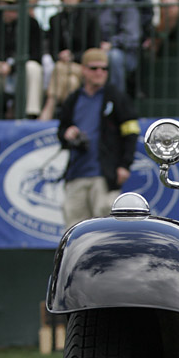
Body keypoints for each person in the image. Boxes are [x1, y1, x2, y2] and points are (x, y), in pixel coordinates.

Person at [58, 47, 139, 228]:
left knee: (106, 231)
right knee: (73, 231)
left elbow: (131, 133)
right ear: (84, 70)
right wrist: (67, 133)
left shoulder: (117, 98)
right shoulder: (73, 99)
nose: (100, 73)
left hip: (104, 175)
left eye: (104, 69)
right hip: (76, 173)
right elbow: (61, 129)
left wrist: (125, 165)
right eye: (94, 68)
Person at [41, 0, 101, 120]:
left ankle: (49, 107)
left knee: (62, 67)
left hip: (84, 66)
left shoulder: (90, 18)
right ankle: (71, 118)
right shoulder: (55, 19)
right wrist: (60, 55)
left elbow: (94, 48)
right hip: (65, 70)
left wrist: (74, 56)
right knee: (70, 82)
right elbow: (53, 49)